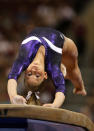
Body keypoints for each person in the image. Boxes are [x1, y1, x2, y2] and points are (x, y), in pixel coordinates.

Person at [7, 27, 87, 108]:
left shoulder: (24, 58)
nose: (34, 71)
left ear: (25, 71)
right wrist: (55, 105)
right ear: (45, 75)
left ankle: (62, 66)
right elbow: (60, 89)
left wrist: (13, 96)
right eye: (37, 76)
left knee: (65, 69)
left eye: (29, 74)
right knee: (73, 68)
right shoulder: (53, 66)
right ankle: (80, 87)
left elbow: (12, 77)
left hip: (43, 33)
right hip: (64, 44)